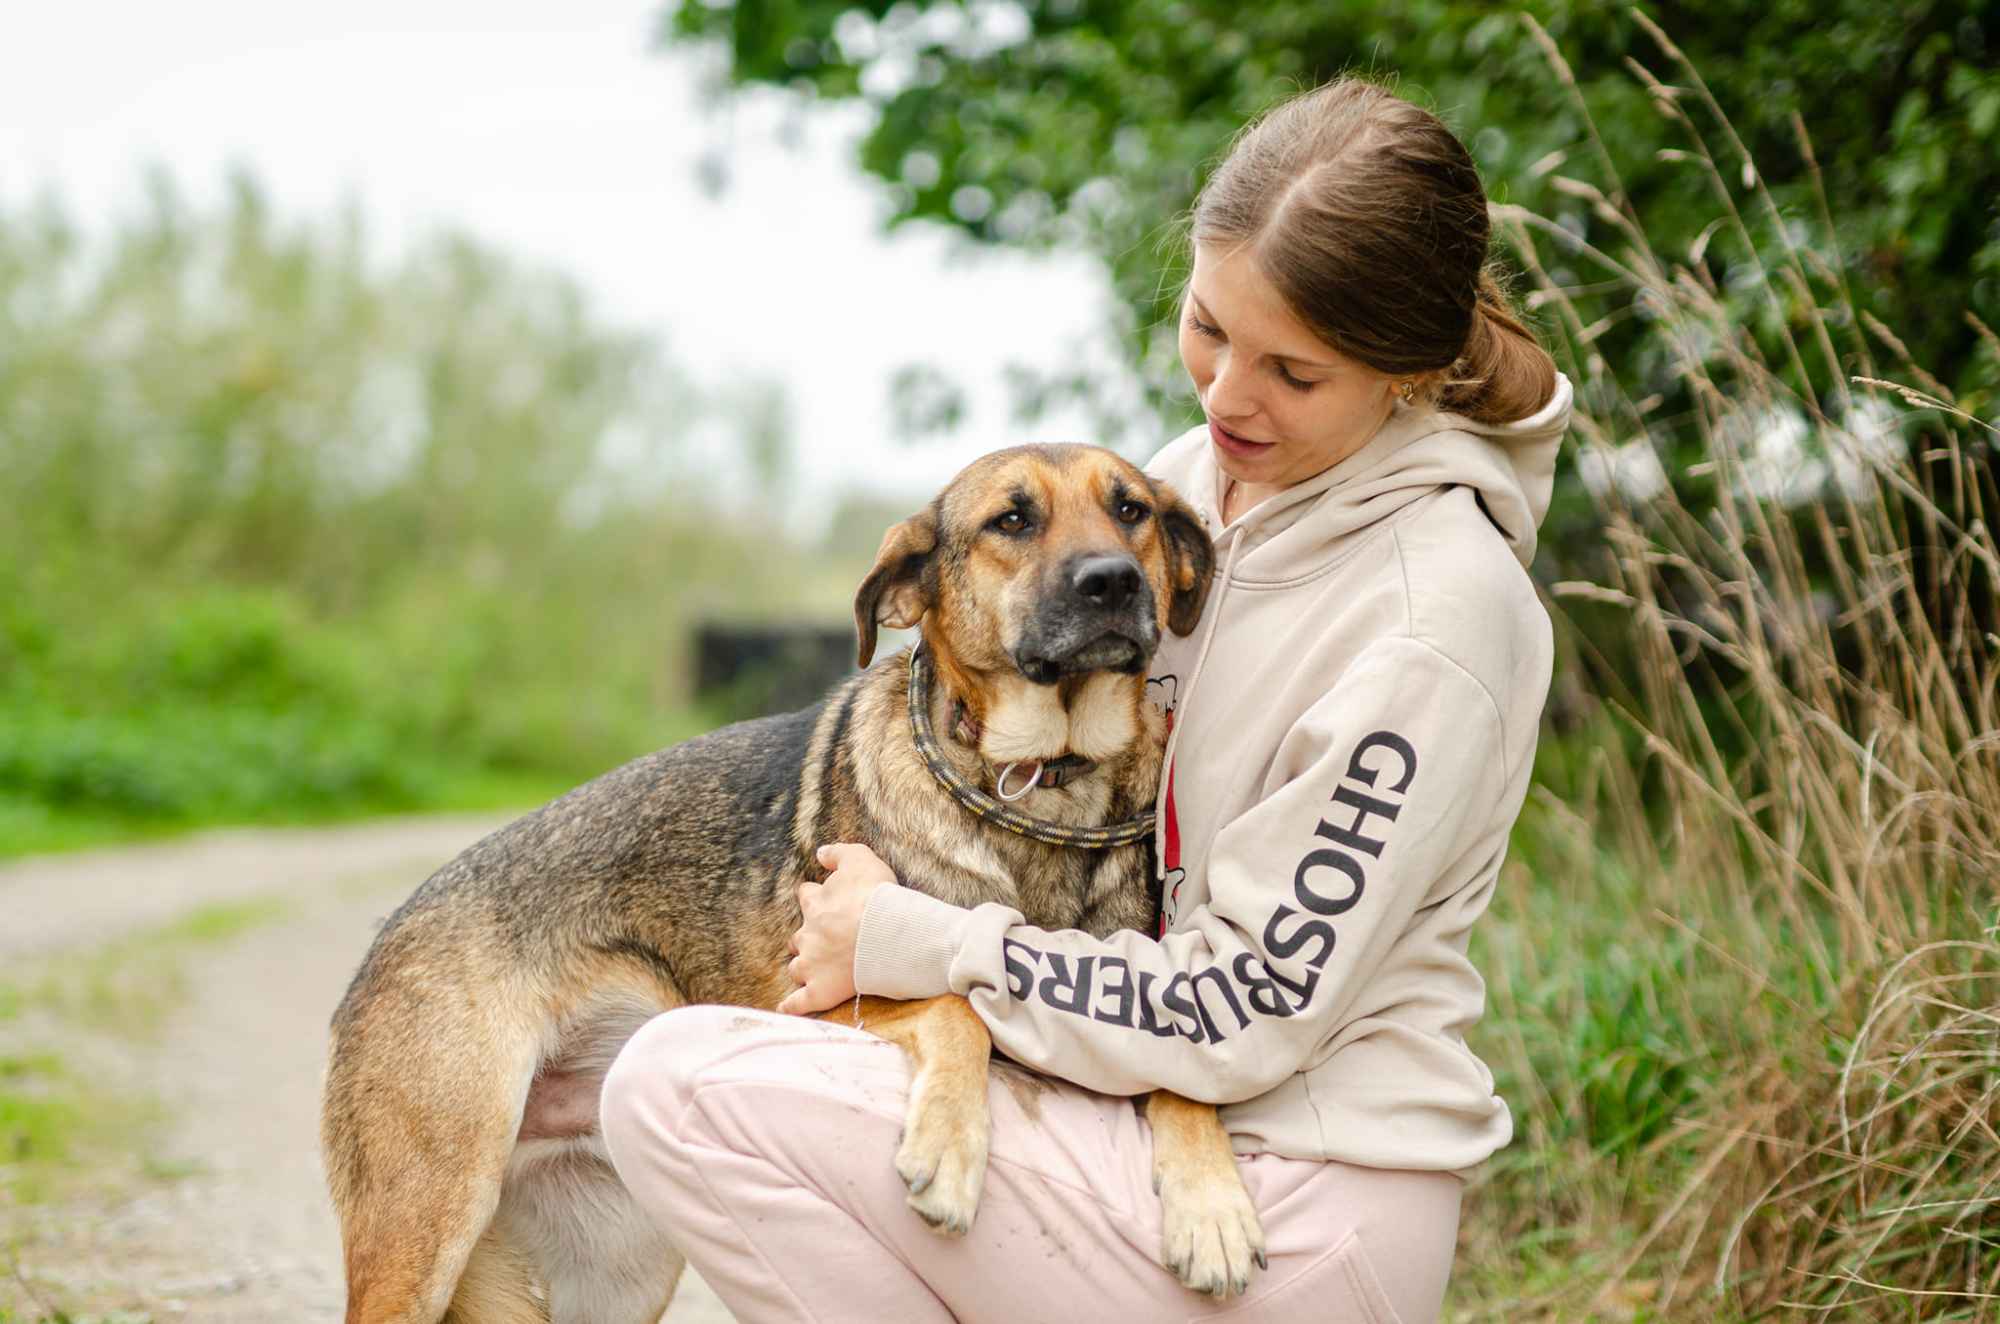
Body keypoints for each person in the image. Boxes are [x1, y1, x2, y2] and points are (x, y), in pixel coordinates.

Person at [599, 75, 1572, 1323]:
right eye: (1207, 326)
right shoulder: (1195, 486)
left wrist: (923, 943)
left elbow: (1237, 1006)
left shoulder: (1432, 618)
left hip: (1302, 1203)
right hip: (1126, 1130)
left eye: (1293, 369)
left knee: (679, 1083)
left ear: (1407, 372)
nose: (1225, 398)